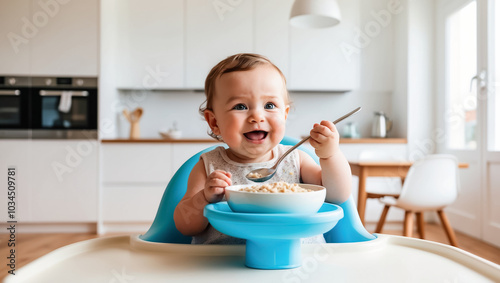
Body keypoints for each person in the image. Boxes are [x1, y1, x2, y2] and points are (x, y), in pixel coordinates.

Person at [173, 53, 352, 244]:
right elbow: (185, 227)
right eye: (240, 106)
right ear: (214, 122)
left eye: (269, 105)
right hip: (224, 266)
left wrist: (330, 155)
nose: (257, 116)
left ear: (284, 115)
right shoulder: (209, 167)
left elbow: (337, 195)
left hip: (297, 261)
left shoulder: (296, 160)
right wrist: (204, 198)